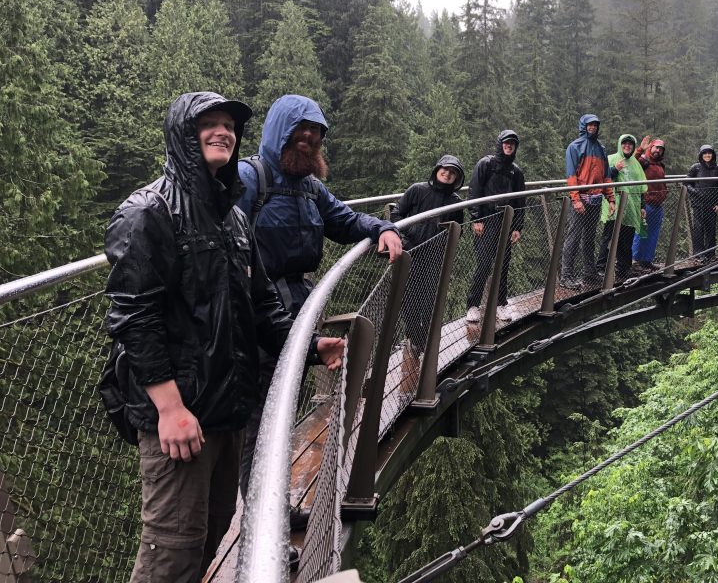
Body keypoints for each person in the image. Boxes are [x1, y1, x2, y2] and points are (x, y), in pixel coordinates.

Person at [102, 92, 345, 583]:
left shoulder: (232, 216)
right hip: (181, 414)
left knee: (213, 531)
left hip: (225, 408)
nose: (222, 133)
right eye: (208, 124)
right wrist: (170, 409)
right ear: (182, 136)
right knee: (171, 550)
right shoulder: (148, 211)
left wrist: (311, 346)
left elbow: (260, 305)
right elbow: (134, 318)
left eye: (229, 126)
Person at [236, 94, 402, 505]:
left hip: (299, 312)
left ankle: (270, 498)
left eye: (316, 132)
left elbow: (345, 220)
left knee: (283, 404)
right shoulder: (249, 179)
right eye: (300, 130)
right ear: (280, 131)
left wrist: (382, 227)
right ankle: (257, 508)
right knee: (259, 414)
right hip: (254, 314)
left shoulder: (310, 188)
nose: (309, 138)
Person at [390, 155, 465, 390]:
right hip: (411, 253)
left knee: (429, 300)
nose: (447, 174)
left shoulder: (455, 201)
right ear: (437, 170)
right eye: (445, 169)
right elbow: (396, 214)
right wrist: (405, 239)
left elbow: (458, 230)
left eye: (453, 172)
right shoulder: (417, 190)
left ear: (456, 178)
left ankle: (418, 341)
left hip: (435, 257)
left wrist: (443, 244)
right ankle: (416, 339)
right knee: (408, 299)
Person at [465, 130, 526, 324]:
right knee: (484, 264)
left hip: (506, 222)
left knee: (503, 264)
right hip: (486, 220)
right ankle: (473, 306)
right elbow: (474, 191)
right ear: (500, 144)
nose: (509, 146)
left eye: (512, 144)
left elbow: (520, 201)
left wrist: (517, 227)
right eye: (506, 142)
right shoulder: (486, 164)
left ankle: (500, 304)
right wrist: (476, 218)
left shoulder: (516, 172)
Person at [560, 114, 615, 288]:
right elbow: (571, 176)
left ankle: (589, 274)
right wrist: (575, 199)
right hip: (581, 200)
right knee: (574, 237)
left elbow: (606, 176)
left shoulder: (601, 148)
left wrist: (611, 199)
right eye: (590, 125)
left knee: (590, 238)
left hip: (596, 200)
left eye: (595, 125)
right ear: (584, 126)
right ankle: (566, 276)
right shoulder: (574, 147)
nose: (593, 128)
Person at [596, 134, 647, 281]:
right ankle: (601, 268)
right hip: (614, 205)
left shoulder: (635, 163)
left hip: (631, 206)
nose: (627, 146)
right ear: (620, 144)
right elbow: (602, 178)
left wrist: (642, 206)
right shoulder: (611, 159)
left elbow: (640, 186)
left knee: (627, 238)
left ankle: (624, 268)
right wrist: (615, 169)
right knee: (609, 237)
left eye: (630, 144)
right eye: (624, 143)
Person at [631, 137, 668, 271]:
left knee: (653, 234)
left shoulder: (660, 165)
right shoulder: (643, 161)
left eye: (661, 149)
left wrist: (664, 193)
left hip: (657, 205)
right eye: (656, 147)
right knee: (641, 232)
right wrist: (640, 149)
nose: (658, 150)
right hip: (645, 204)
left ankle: (647, 260)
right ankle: (634, 261)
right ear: (651, 148)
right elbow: (631, 161)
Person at [687, 145, 718, 262]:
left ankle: (710, 253)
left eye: (709, 153)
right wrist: (696, 192)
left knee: (711, 229)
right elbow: (687, 183)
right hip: (698, 204)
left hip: (712, 204)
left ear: (713, 155)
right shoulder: (696, 168)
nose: (707, 155)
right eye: (705, 153)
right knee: (698, 229)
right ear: (701, 155)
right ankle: (699, 254)